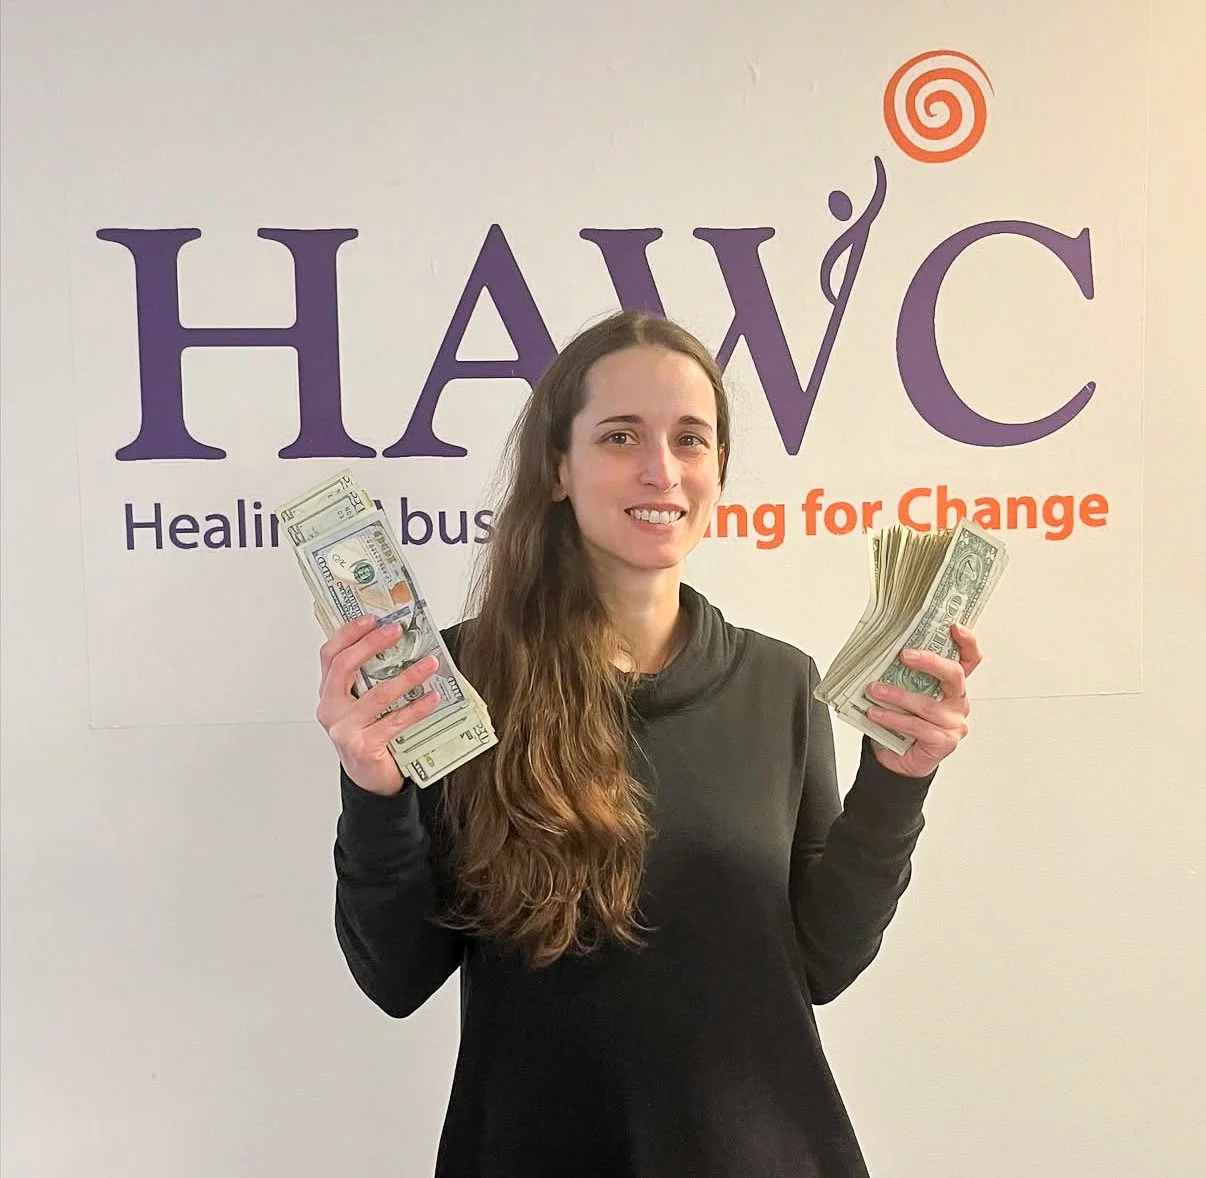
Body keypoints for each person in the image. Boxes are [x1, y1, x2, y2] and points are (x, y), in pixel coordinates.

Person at [316, 310, 983, 1178]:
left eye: (691, 439)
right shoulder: (457, 683)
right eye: (621, 435)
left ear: (719, 470)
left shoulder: (779, 683)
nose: (662, 469)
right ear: (558, 468)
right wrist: (374, 792)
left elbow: (819, 961)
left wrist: (899, 781)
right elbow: (396, 975)